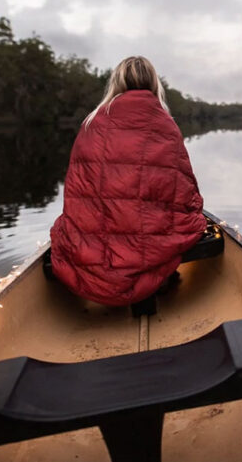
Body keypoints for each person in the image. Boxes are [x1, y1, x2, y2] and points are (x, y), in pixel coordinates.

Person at [49, 56, 206, 308]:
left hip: (92, 247)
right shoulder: (166, 125)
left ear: (117, 83)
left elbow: (76, 193)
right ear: (155, 83)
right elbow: (185, 192)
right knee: (192, 219)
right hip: (147, 240)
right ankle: (159, 279)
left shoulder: (93, 122)